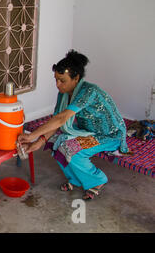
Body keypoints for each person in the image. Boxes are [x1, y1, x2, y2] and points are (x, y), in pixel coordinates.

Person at [17, 50, 130, 200]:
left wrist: (32, 135)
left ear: (76, 78)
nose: (57, 84)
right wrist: (37, 143)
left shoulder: (89, 92)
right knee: (55, 142)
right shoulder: (64, 93)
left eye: (62, 80)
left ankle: (97, 180)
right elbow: (57, 121)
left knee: (71, 149)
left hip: (110, 135)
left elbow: (61, 119)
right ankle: (76, 179)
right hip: (88, 131)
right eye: (56, 79)